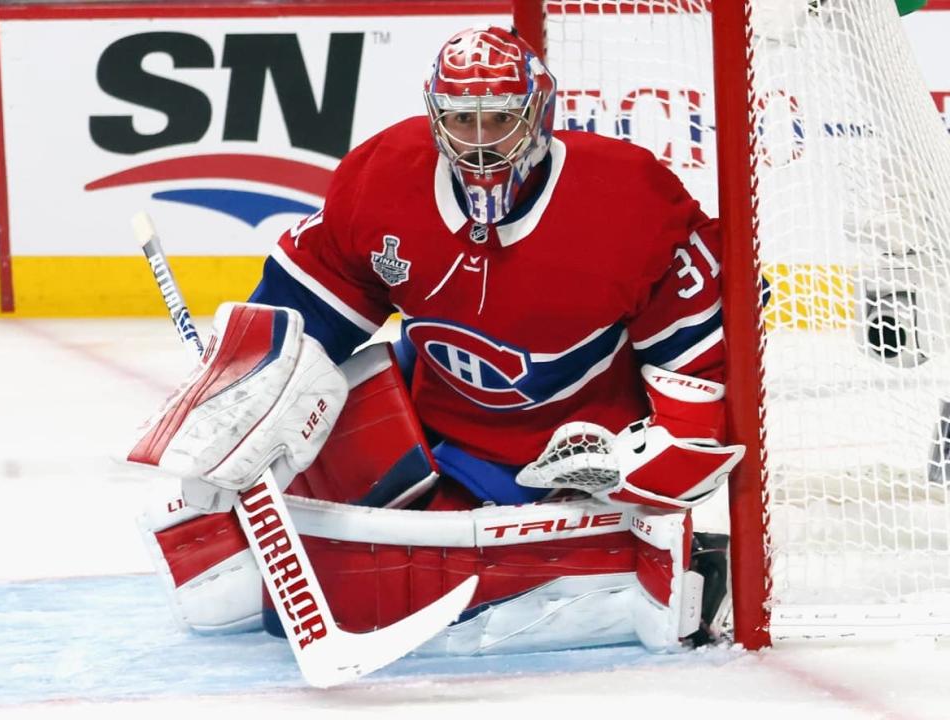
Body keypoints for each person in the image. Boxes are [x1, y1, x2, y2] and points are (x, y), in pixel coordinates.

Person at [130, 26, 743, 654]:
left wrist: (626, 470)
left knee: (438, 607)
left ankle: (610, 565)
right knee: (208, 569)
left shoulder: (626, 200)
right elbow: (303, 314)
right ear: (433, 114)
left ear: (539, 114)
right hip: (423, 418)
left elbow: (695, 398)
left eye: (499, 119)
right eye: (461, 120)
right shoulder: (384, 175)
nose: (478, 143)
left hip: (551, 459)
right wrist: (246, 391)